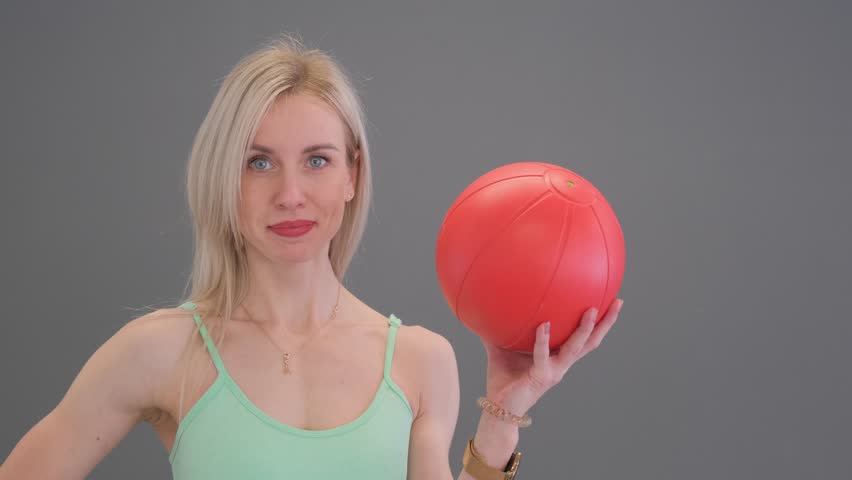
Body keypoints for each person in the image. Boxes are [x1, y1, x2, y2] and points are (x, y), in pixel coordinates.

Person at [0, 34, 624, 479]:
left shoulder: (419, 361)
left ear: (353, 175)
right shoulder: (160, 352)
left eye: (318, 160)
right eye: (259, 163)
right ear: (224, 178)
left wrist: (505, 415)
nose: (291, 194)